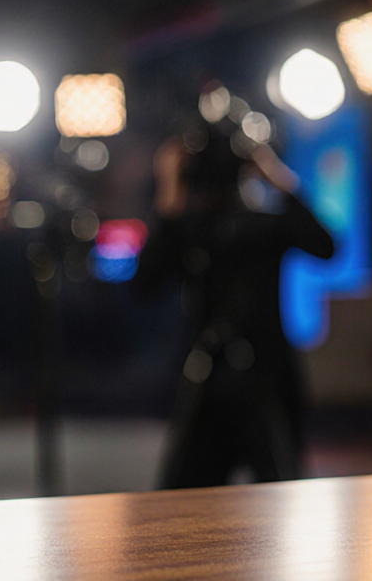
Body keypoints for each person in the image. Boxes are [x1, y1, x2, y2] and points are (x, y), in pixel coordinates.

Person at [134, 130, 333, 488]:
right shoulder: (193, 229)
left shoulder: (263, 225)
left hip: (265, 374)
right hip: (207, 373)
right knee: (185, 499)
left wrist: (276, 175)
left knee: (283, 492)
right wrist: (170, 197)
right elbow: (143, 284)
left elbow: (326, 246)